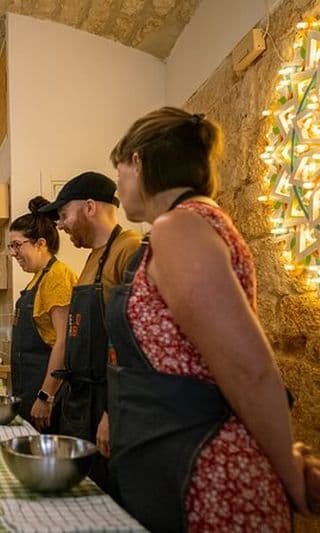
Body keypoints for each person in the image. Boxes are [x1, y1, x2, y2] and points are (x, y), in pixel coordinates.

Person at [105, 106, 313, 530]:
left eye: (119, 171)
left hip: (209, 474)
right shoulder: (195, 223)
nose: (118, 186)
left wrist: (291, 474)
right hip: (182, 461)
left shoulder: (178, 228)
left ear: (138, 162)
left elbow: (248, 369)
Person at [39, 170, 142, 491]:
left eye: (63, 215)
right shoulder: (92, 258)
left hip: (106, 402)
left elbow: (135, 341)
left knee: (105, 496)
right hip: (81, 401)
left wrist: (112, 412)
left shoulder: (129, 249)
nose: (60, 225)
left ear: (89, 207)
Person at [8, 197, 77, 429]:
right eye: (11, 247)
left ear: (40, 243)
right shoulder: (38, 278)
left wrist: (46, 395)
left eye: (17, 245)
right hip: (30, 390)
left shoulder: (57, 277)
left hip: (49, 396)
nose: (13, 253)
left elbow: (64, 342)